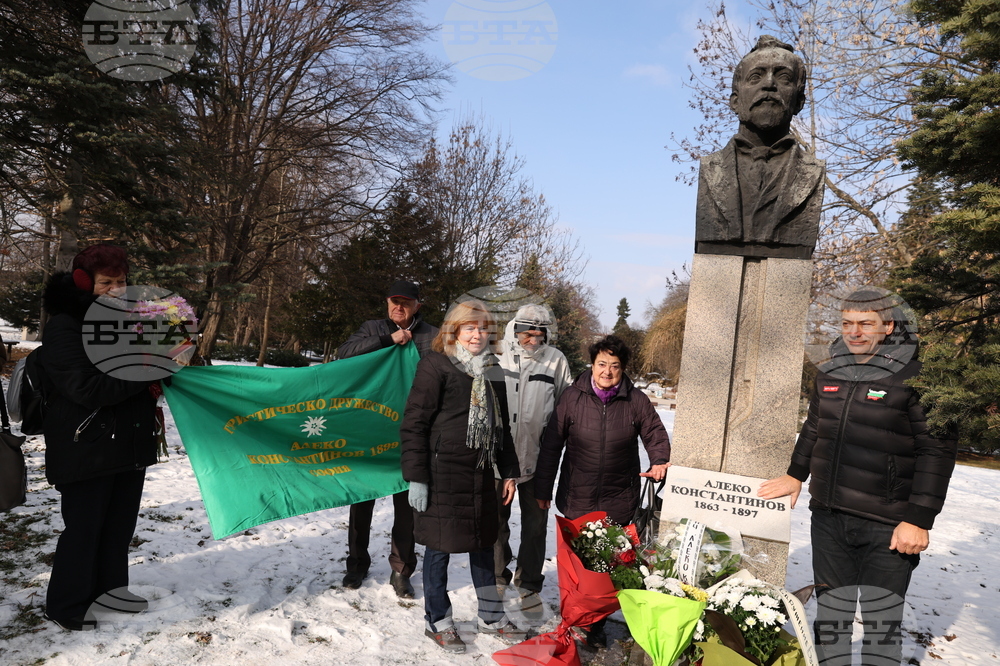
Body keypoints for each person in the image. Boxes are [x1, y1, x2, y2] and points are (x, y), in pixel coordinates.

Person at [759, 289, 957, 665]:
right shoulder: (831, 369)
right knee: (831, 619)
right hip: (830, 517)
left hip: (889, 526)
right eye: (848, 323)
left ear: (889, 326)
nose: (855, 332)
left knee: (881, 626)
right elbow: (816, 426)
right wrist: (795, 474)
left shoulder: (918, 376)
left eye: (866, 323)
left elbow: (937, 450)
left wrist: (918, 520)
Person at [39, 244, 160, 631]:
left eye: (121, 282)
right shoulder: (64, 325)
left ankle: (109, 589)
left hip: (129, 440)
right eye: (105, 282)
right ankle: (66, 603)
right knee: (85, 527)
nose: (115, 289)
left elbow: (146, 369)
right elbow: (86, 388)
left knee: (119, 525)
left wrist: (169, 362)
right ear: (84, 282)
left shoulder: (129, 321)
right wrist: (145, 370)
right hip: (85, 442)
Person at [399, 299, 525, 654]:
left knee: (485, 546)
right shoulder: (435, 365)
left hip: (482, 473)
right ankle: (436, 619)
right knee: (439, 547)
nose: (477, 334)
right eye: (470, 327)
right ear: (454, 330)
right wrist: (417, 476)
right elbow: (414, 424)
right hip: (442, 474)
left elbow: (501, 428)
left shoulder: (493, 370)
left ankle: (491, 616)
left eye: (483, 328)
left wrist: (509, 473)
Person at [534, 334, 671, 648]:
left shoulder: (635, 400)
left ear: (623, 370)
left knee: (606, 566)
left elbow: (654, 432)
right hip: (577, 494)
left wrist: (659, 460)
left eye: (615, 366)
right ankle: (574, 616)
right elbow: (552, 445)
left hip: (618, 496)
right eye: (602, 364)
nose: (607, 371)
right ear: (592, 365)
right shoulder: (572, 397)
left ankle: (593, 622)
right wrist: (543, 487)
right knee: (577, 564)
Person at [336, 279, 438, 597]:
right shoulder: (372, 328)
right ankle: (357, 564)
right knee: (361, 503)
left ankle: (401, 570)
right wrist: (386, 339)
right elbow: (344, 355)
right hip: (369, 433)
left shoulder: (432, 337)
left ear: (417, 305)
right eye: (394, 301)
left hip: (410, 435)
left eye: (406, 302)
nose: (399, 307)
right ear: (386, 302)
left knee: (406, 509)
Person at [695, 35, 825, 259]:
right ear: (735, 101)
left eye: (783, 77)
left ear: (799, 102)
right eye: (756, 77)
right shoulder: (710, 168)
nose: (769, 84)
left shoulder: (812, 172)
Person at [494, 304, 571, 609]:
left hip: (539, 459)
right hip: (501, 457)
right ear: (515, 329)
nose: (534, 337)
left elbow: (566, 407)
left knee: (535, 525)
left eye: (540, 332)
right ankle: (497, 575)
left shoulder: (556, 361)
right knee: (497, 521)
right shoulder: (498, 355)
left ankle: (528, 582)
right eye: (528, 331)